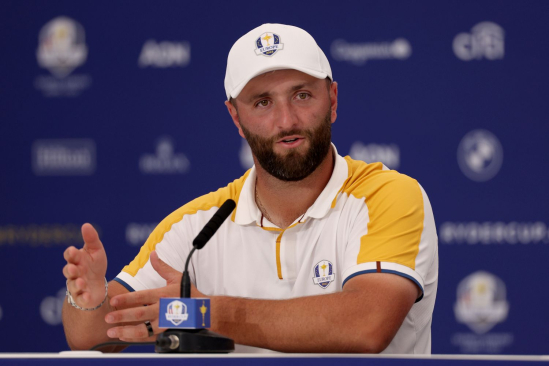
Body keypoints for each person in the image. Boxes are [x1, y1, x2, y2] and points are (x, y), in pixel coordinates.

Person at [62, 23, 438, 354]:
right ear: (236, 118)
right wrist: (89, 303)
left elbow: (365, 325)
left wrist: (206, 312)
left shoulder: (386, 197)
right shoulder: (196, 228)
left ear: (333, 100)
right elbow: (93, 335)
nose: (286, 120)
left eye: (302, 95)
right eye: (262, 103)